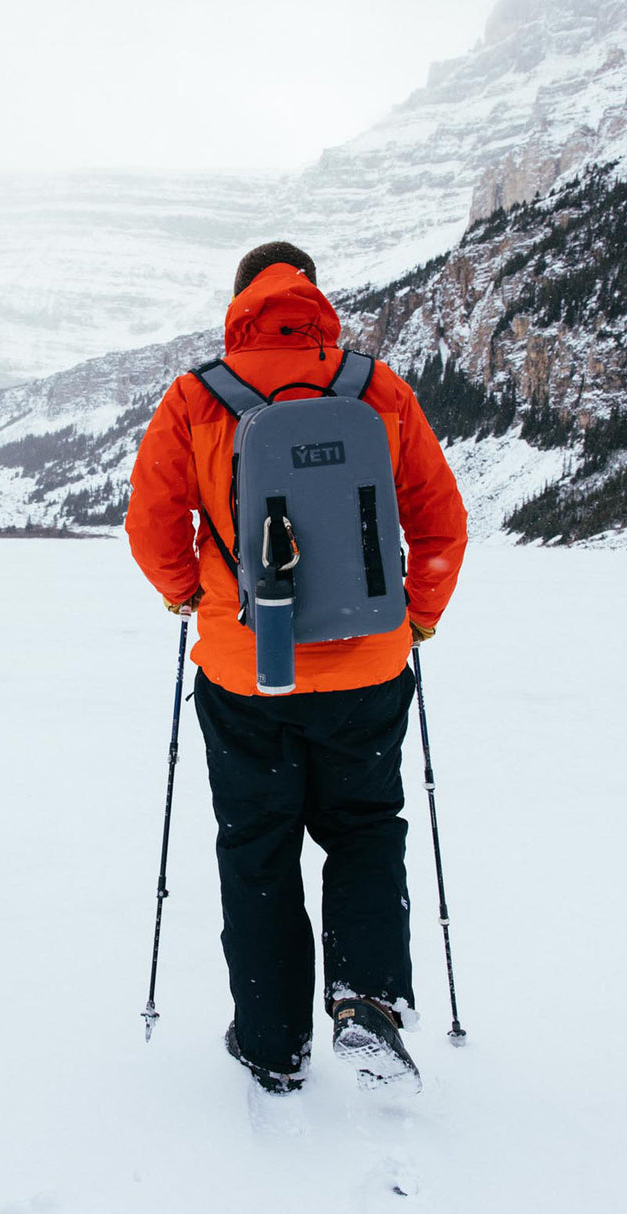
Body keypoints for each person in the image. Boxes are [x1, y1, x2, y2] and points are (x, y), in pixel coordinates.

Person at [125, 242, 467, 1096]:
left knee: (258, 850)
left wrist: (183, 598)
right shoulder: (375, 387)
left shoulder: (197, 396)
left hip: (248, 673)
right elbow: (440, 521)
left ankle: (273, 1045)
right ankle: (368, 1002)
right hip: (369, 669)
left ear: (239, 301)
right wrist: (416, 616)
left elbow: (152, 525)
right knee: (364, 829)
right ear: (313, 294)